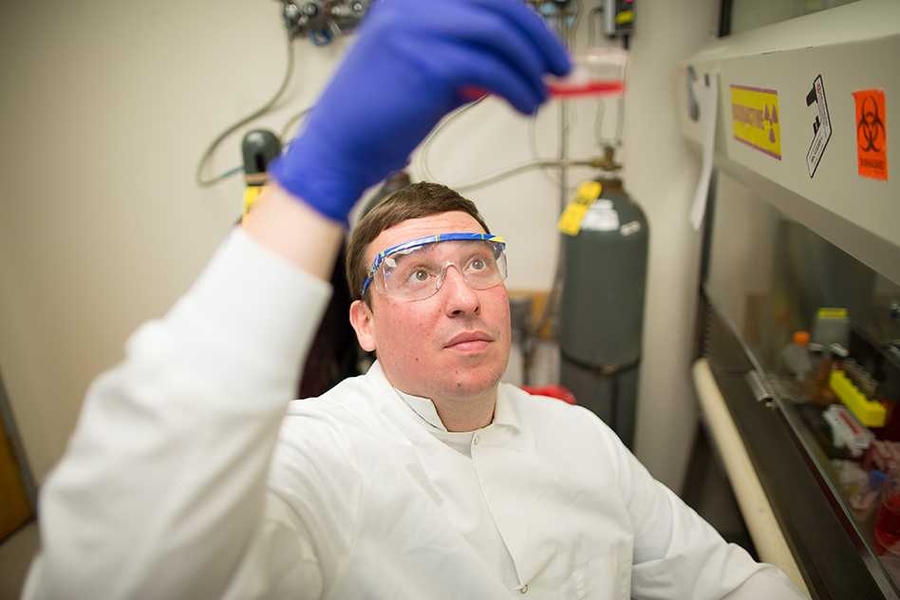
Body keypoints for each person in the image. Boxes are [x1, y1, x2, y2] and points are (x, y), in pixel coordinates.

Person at [23, 0, 807, 598]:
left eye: (478, 264)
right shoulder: (316, 454)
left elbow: (729, 584)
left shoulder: (578, 437)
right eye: (417, 273)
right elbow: (116, 571)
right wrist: (315, 180)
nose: (464, 297)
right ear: (362, 322)